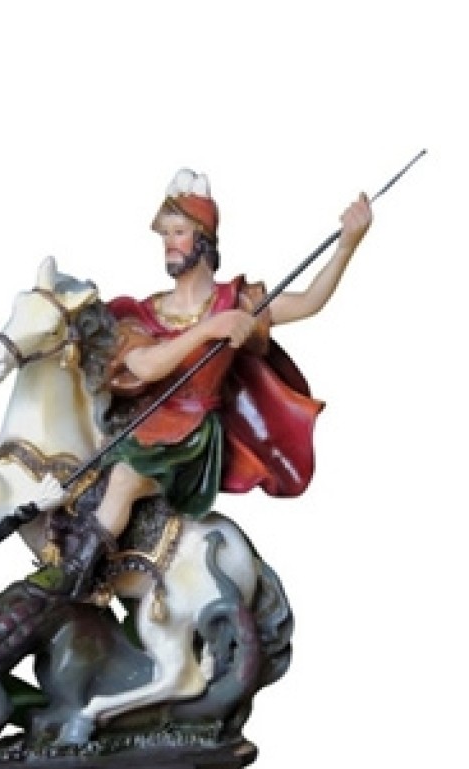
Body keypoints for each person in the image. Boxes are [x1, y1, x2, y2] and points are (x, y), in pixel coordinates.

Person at [34, 168, 373, 597]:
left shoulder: (238, 302)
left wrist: (346, 246)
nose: (169, 243)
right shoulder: (143, 313)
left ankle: (71, 583)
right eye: (165, 235)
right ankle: (79, 557)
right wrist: (211, 329)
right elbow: (148, 367)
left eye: (179, 232)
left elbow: (308, 302)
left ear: (204, 240)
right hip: (140, 424)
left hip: (190, 437)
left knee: (123, 480)